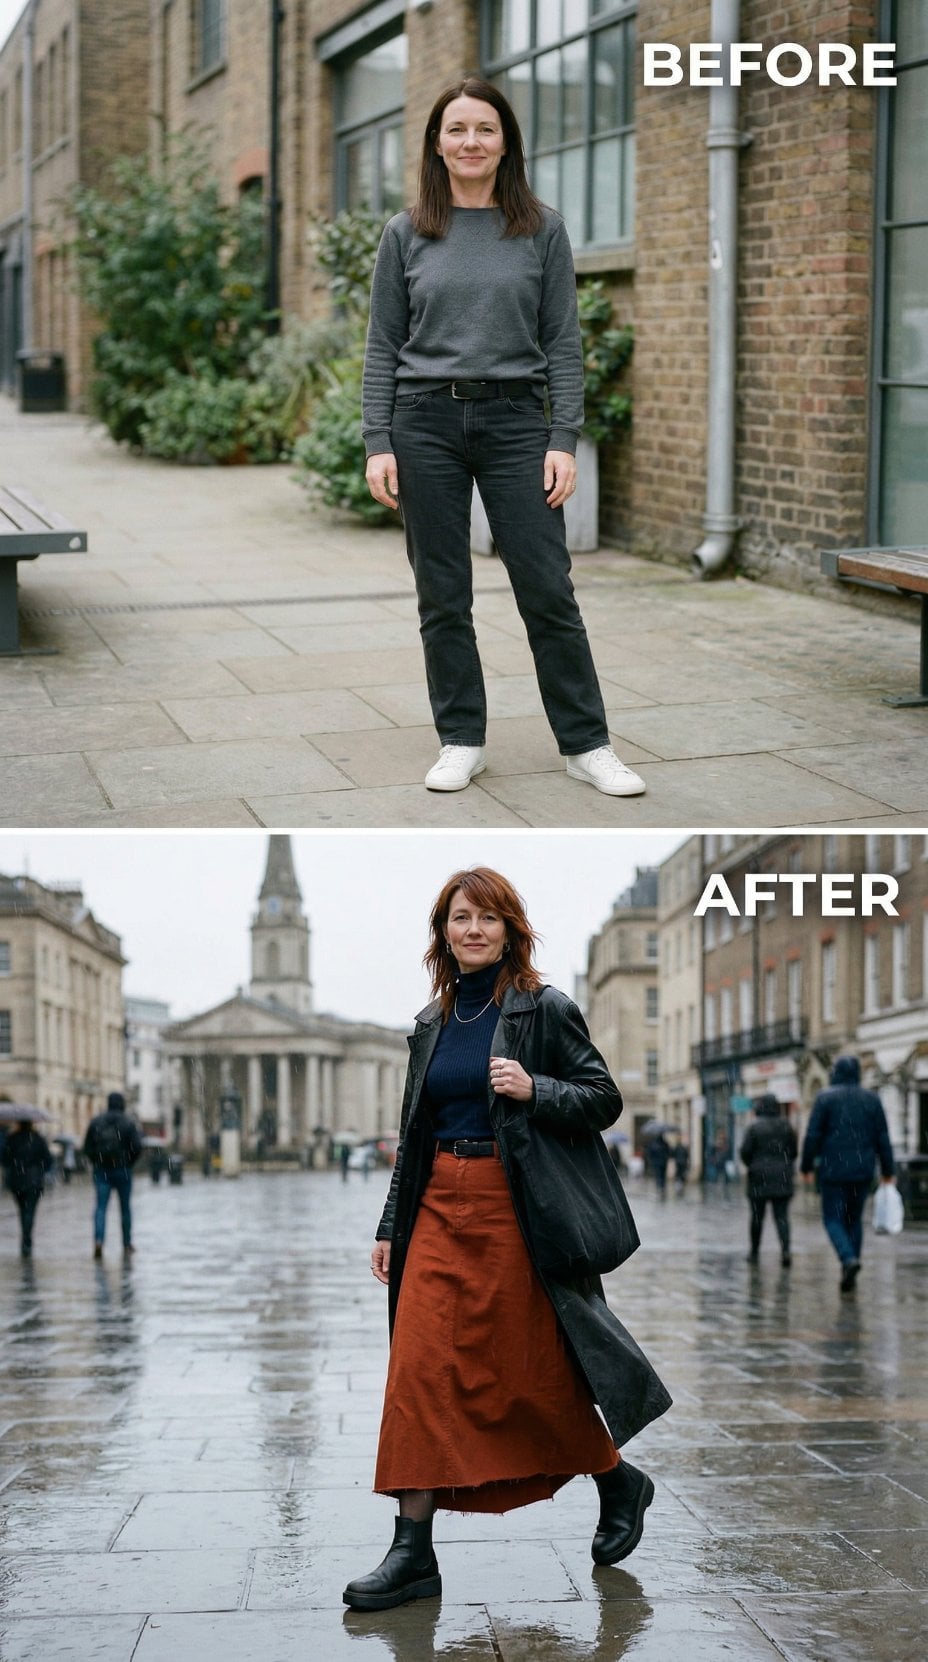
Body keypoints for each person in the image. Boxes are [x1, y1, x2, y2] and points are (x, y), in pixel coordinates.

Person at [343, 867, 671, 1612]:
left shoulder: (542, 1008)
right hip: (435, 1209)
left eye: (488, 917)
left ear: (511, 929)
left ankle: (618, 1479)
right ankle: (411, 1552)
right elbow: (413, 1135)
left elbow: (603, 1098)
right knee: (418, 1371)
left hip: (514, 1207)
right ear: (444, 932)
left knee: (530, 1372)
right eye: (461, 917)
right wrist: (392, 1225)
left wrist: (536, 1087)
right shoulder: (429, 1023)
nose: (474, 930)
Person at [362, 78, 646, 800]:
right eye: (456, 129)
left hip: (518, 423)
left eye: (484, 129)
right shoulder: (406, 233)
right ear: (436, 143)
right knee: (443, 593)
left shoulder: (540, 230)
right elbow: (382, 347)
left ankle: (587, 745)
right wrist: (377, 440)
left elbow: (563, 342)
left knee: (548, 589)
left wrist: (562, 435)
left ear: (506, 142)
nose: (470, 142)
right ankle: (461, 739)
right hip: (423, 422)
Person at [800, 1056, 896, 1292]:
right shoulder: (871, 1099)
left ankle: (847, 1259)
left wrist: (806, 1166)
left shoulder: (825, 1098)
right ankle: (850, 1265)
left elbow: (812, 1135)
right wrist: (888, 1170)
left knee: (832, 1219)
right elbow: (882, 1137)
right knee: (854, 1220)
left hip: (833, 1170)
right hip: (862, 1171)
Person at [83, 1092, 143, 1260]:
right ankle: (126, 1243)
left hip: (102, 1170)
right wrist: (128, 1162)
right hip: (122, 1169)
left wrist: (97, 1161)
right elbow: (137, 1147)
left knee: (101, 1208)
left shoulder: (96, 1122)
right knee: (125, 1209)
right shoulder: (128, 1123)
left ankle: (98, 1240)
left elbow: (87, 1148)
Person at [739, 1095, 798, 1266]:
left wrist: (754, 1165)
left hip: (759, 1178)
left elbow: (745, 1152)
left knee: (757, 1218)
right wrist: (784, 1164)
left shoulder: (754, 1128)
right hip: (781, 1178)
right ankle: (785, 1250)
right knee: (782, 1217)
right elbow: (793, 1151)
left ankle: (754, 1251)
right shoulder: (786, 1126)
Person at [1, 1119, 54, 1258]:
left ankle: (25, 1237)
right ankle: (26, 1239)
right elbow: (48, 1160)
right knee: (30, 1210)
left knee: (22, 1210)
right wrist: (39, 1169)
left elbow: (5, 1159)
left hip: (16, 1181)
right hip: (34, 1181)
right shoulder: (38, 1139)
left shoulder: (12, 1139)